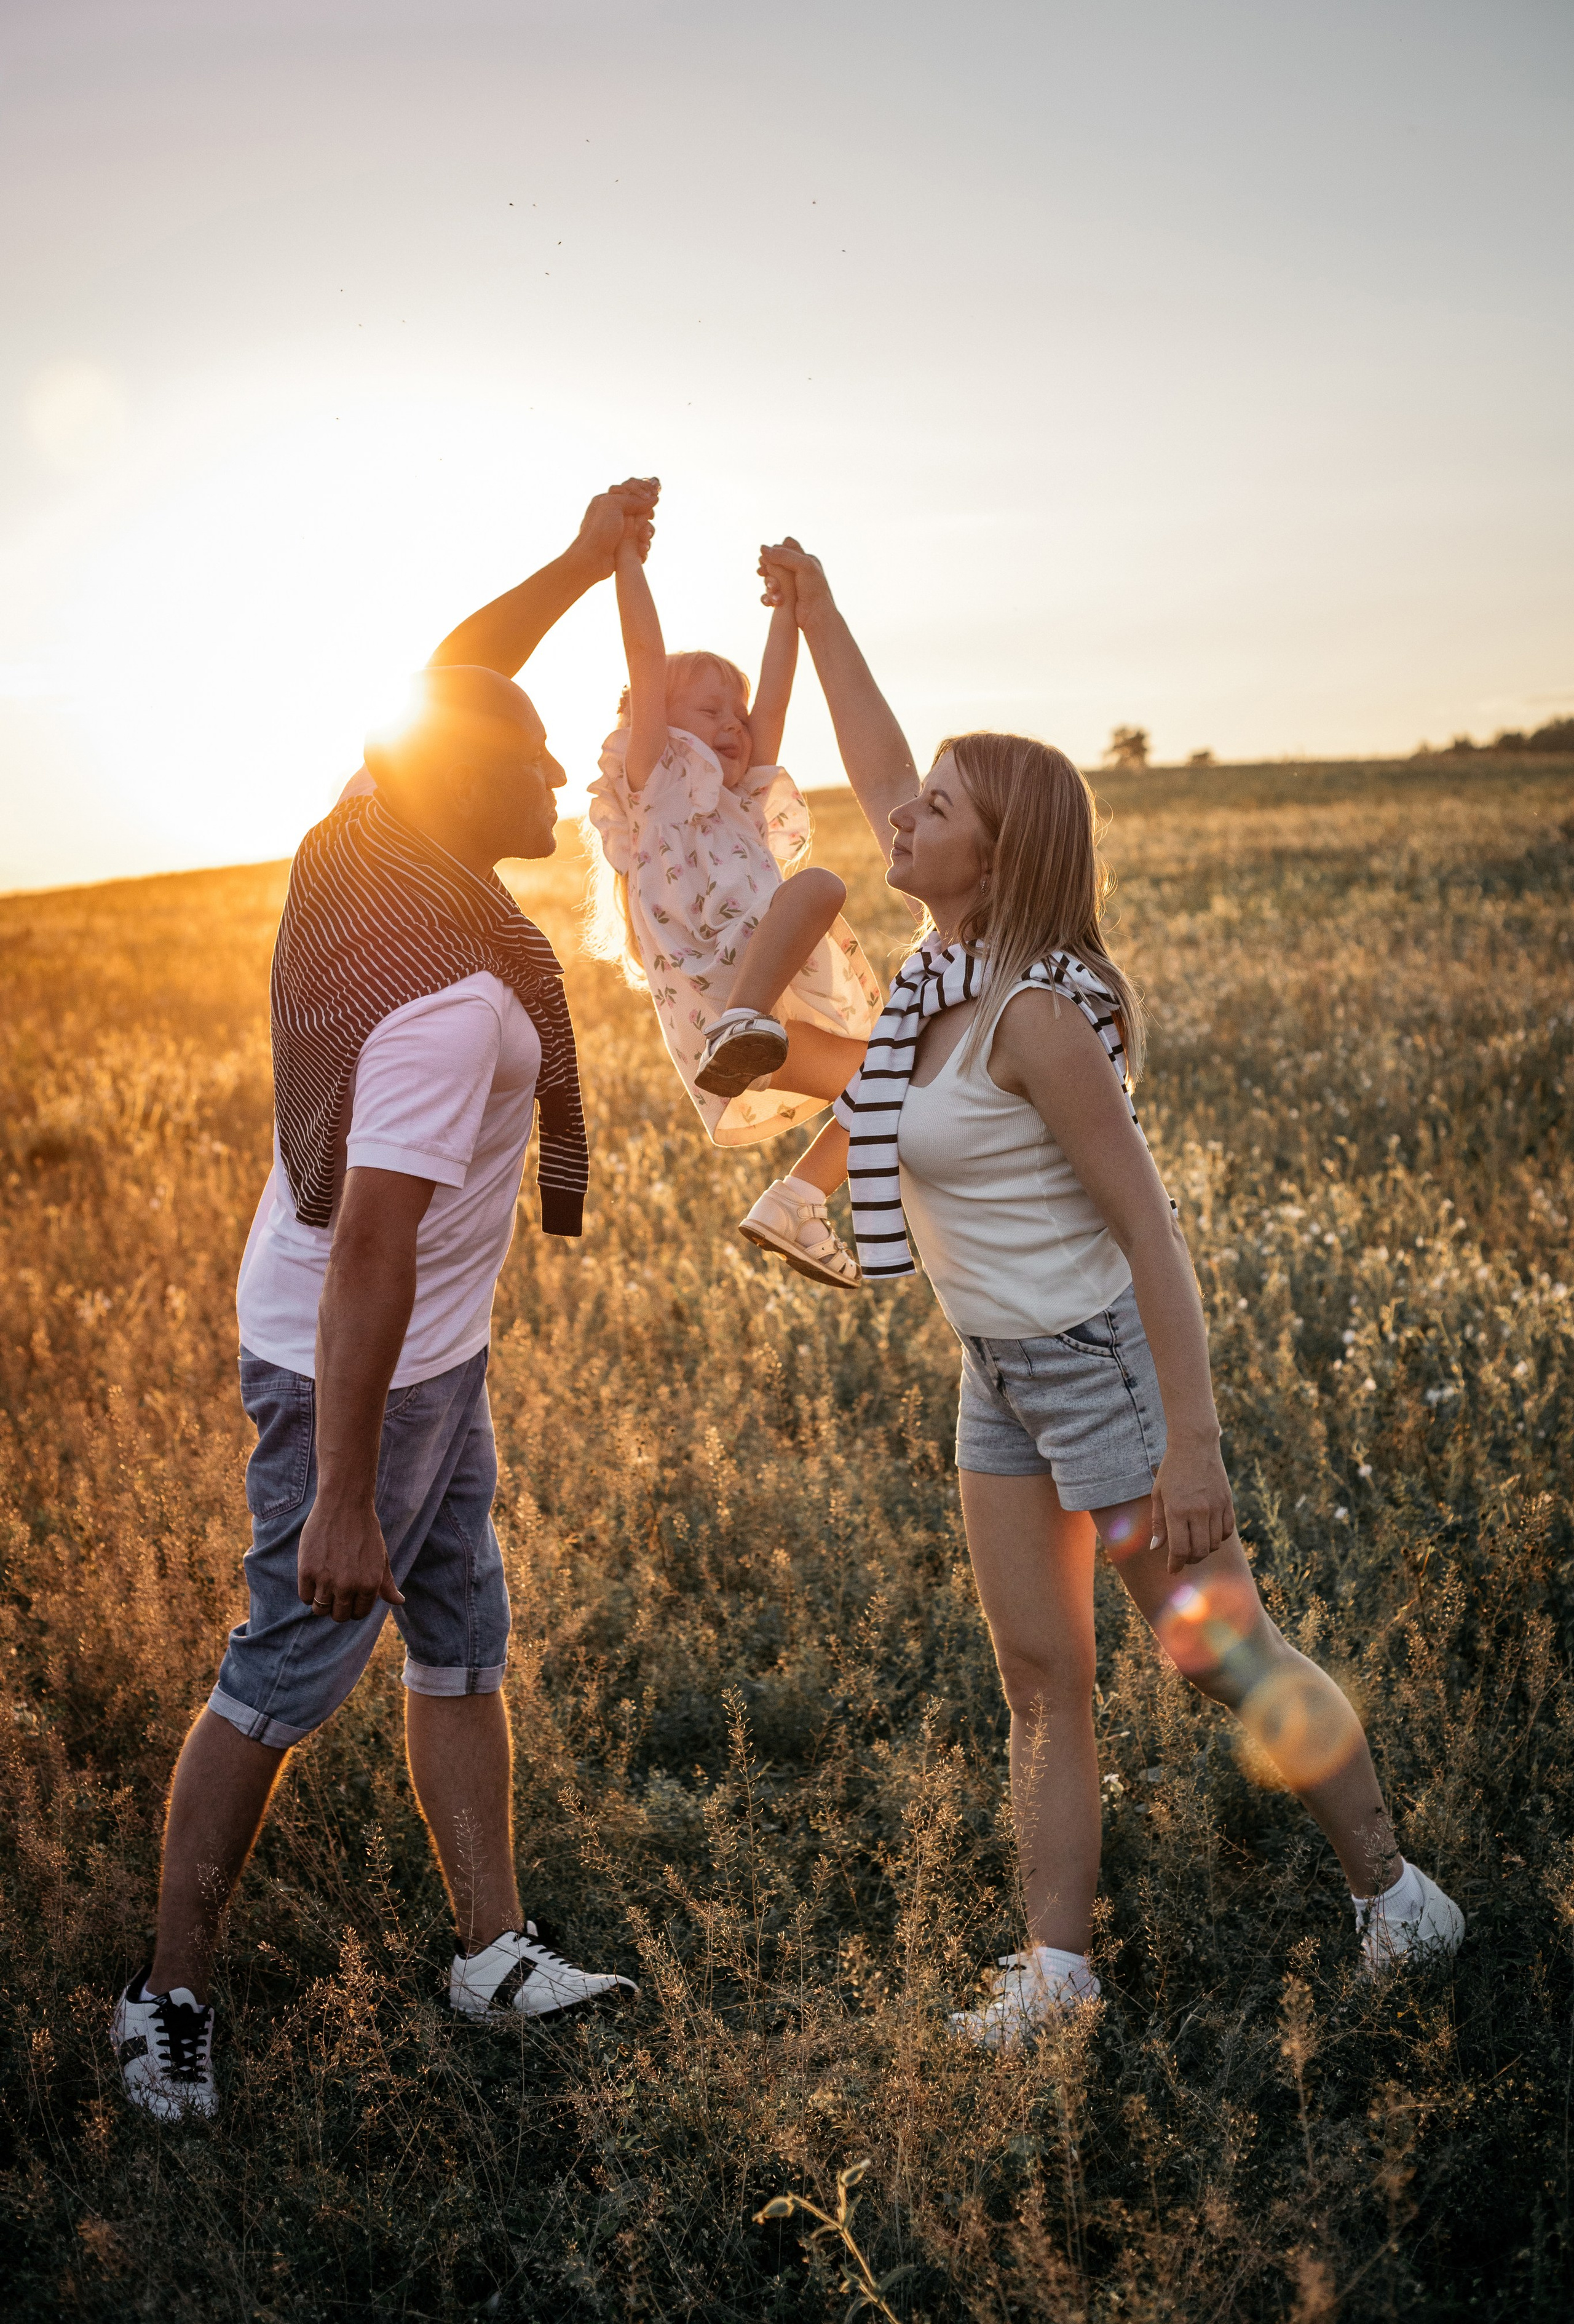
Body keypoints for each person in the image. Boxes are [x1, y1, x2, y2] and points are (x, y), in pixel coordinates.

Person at [757, 538, 1466, 2050]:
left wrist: (1190, 1445)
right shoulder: (934, 987)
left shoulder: (1033, 1018)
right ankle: (1054, 1974)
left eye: (938, 807)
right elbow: (881, 757)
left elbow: (1152, 1237)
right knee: (1038, 1678)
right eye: (917, 794)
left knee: (1222, 1652)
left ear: (995, 855)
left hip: (1101, 1369)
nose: (900, 813)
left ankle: (1394, 1894)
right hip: (996, 1372)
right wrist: (815, 617)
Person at [114, 483, 657, 2123]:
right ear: (459, 782)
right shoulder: (448, 998)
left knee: (463, 1647)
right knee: (281, 1676)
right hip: (358, 1366)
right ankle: (167, 1998)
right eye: (536, 756)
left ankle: (489, 1953)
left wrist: (580, 562)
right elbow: (369, 1248)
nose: (561, 773)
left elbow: (446, 673)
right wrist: (344, 1487)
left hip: (427, 1359)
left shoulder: (375, 834)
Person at [581, 513, 884, 1287]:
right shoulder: (656, 785)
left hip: (763, 1028)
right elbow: (645, 661)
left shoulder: (744, 802)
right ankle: (742, 1025)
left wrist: (787, 609)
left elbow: (774, 702)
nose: (734, 726)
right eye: (709, 711)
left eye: (735, 715)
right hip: (725, 1007)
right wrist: (625, 560)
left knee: (894, 1083)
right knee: (817, 885)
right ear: (654, 723)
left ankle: (795, 1203)